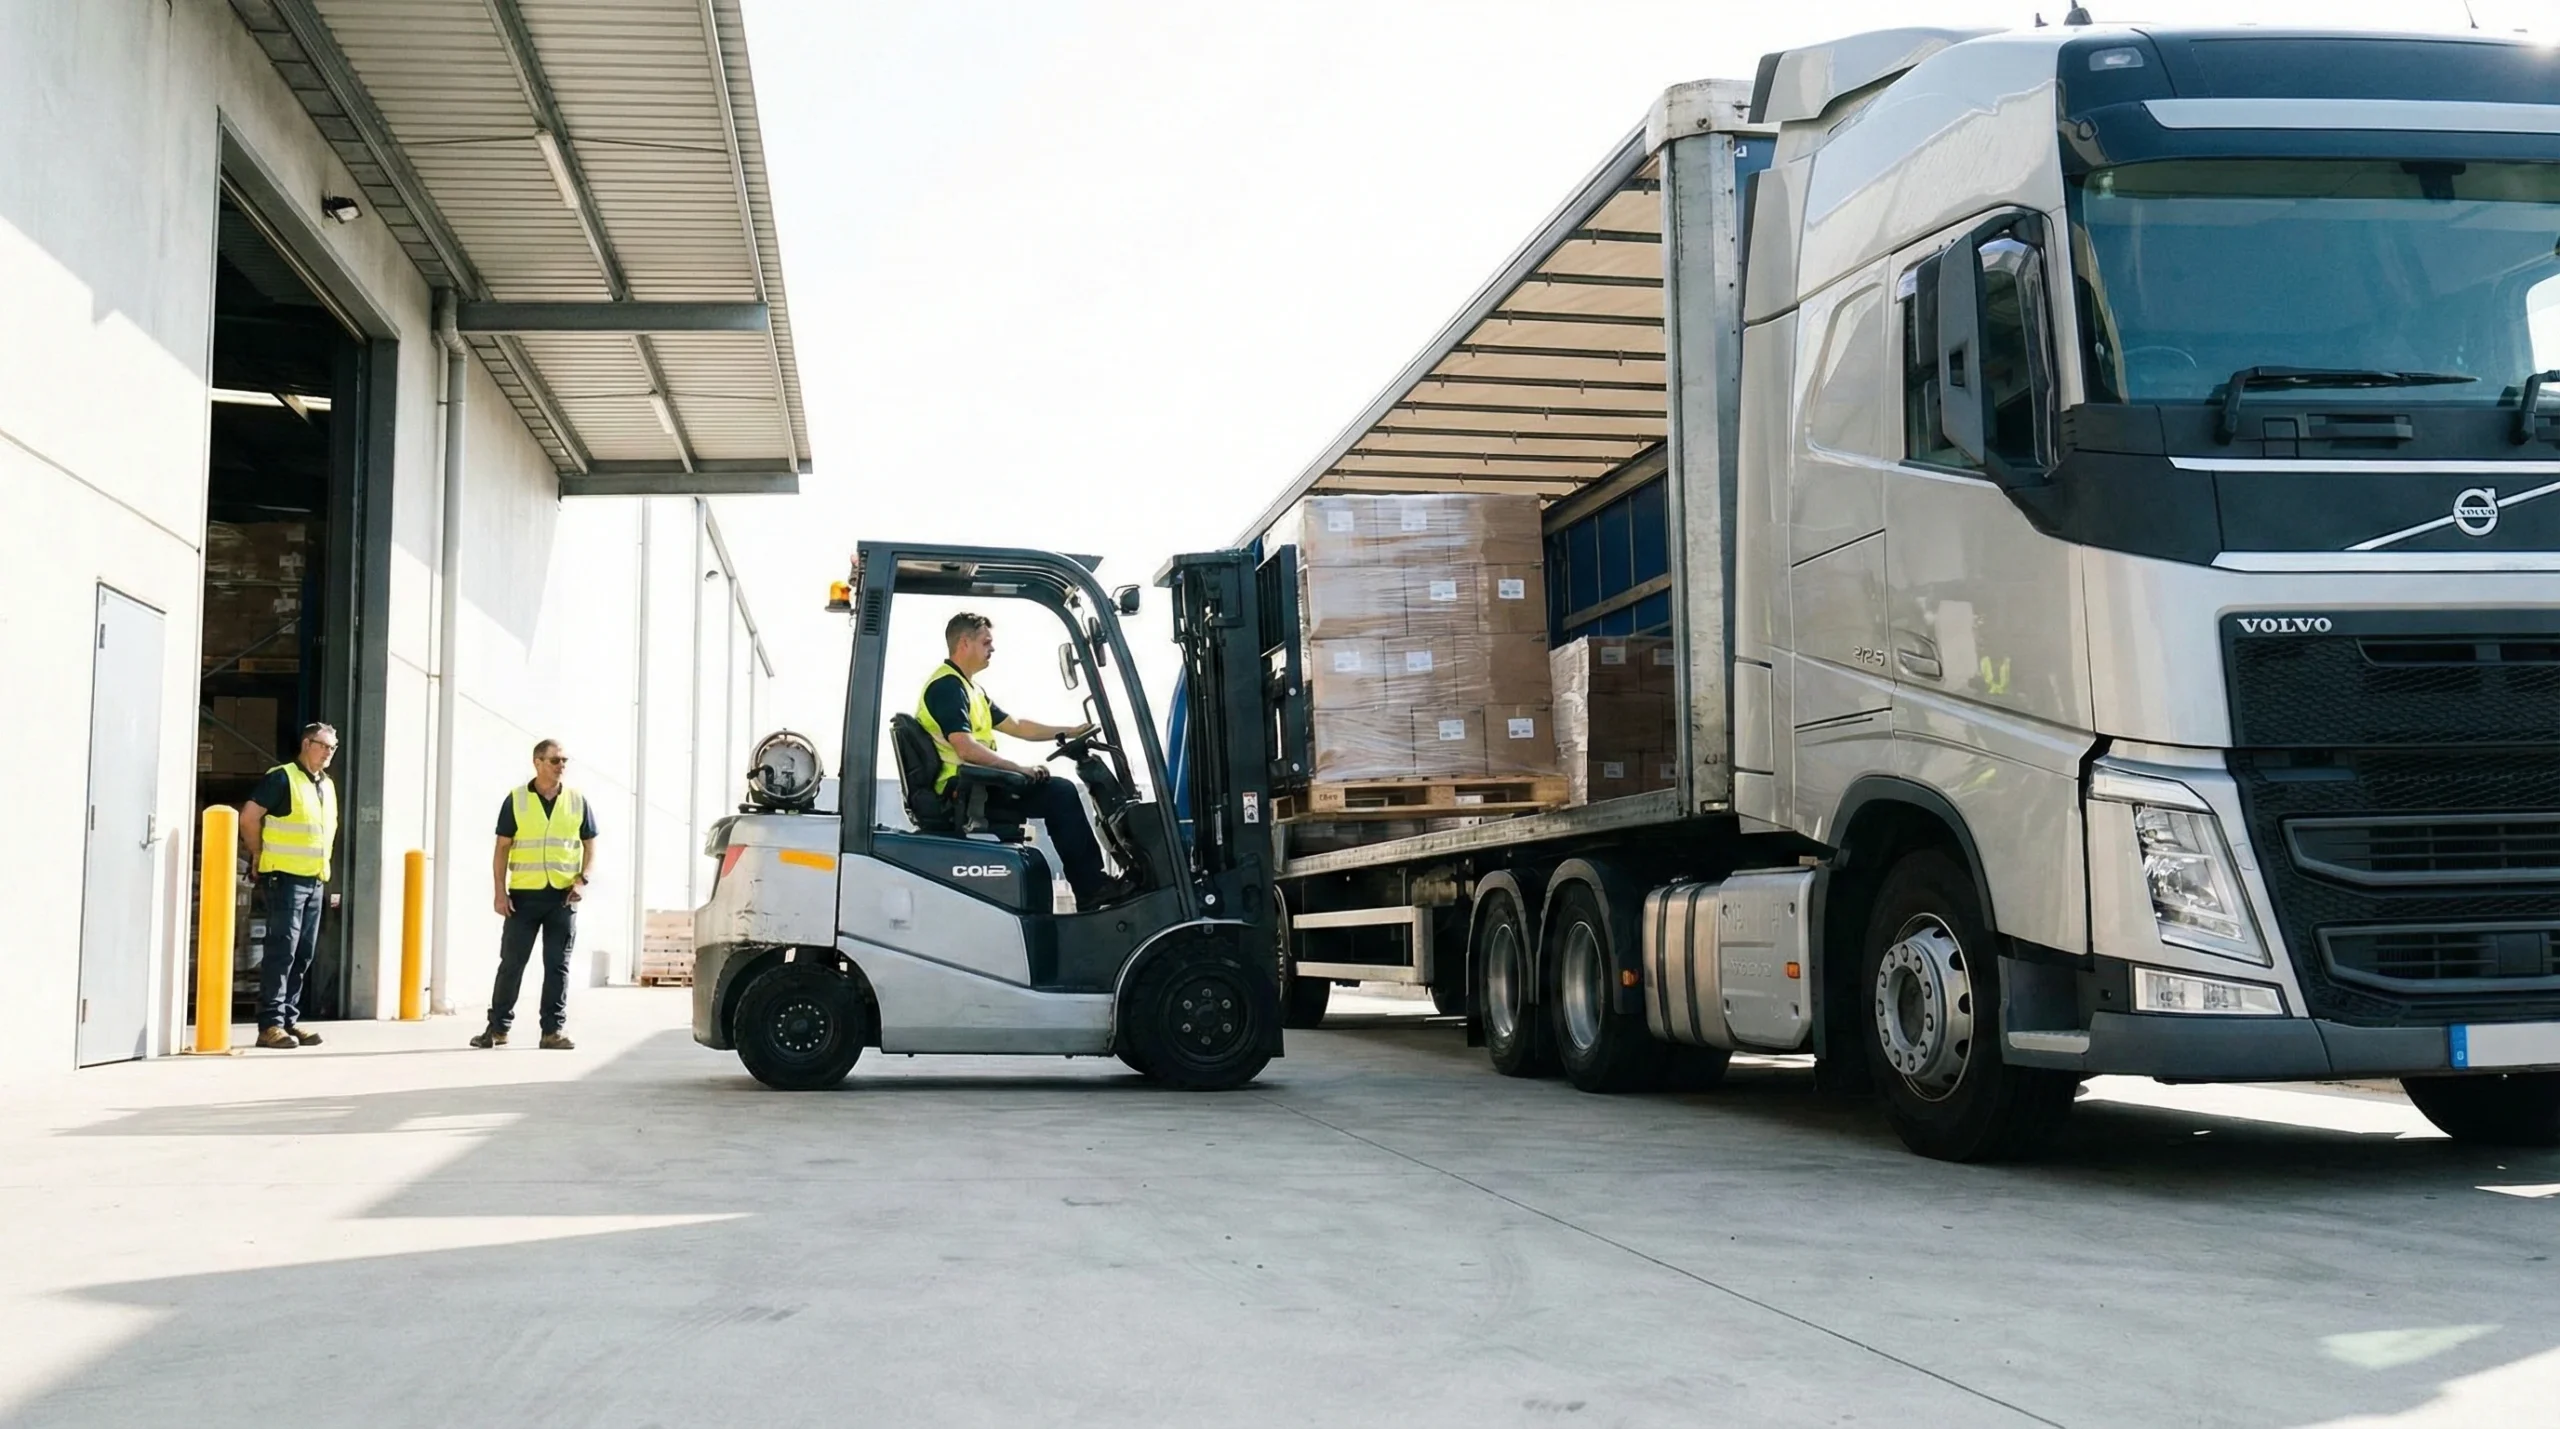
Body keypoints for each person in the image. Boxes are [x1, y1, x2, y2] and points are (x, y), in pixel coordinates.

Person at [917, 611, 1135, 909]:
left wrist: (1069, 731)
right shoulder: (947, 688)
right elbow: (966, 749)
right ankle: (1091, 888)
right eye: (986, 642)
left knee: (1058, 791)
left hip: (977, 787)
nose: (992, 649)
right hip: (968, 794)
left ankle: (1091, 887)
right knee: (1060, 794)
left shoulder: (970, 688)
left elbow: (1017, 725)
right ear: (964, 643)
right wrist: (1019, 770)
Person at [469, 739, 596, 1050]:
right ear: (537, 762)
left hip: (562, 898)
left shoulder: (577, 800)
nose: (561, 766)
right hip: (523, 898)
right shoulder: (517, 800)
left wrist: (583, 880)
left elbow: (589, 844)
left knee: (557, 966)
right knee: (511, 964)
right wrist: (499, 893)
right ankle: (497, 1029)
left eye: (565, 760)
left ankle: (552, 1031)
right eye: (555, 760)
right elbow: (502, 848)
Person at [239, 722, 340, 1050]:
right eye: (323, 745)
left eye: (333, 748)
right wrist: (257, 852)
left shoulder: (326, 785)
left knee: (303, 953)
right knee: (282, 950)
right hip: (284, 878)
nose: (328, 753)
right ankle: (269, 1024)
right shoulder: (282, 777)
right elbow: (249, 817)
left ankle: (288, 1018)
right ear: (306, 743)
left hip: (314, 880)